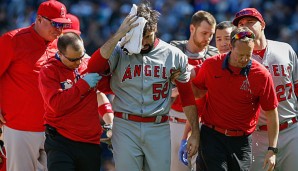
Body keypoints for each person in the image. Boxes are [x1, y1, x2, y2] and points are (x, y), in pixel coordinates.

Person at [88, 3, 200, 171]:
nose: (145, 41)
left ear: (155, 28)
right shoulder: (119, 50)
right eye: (141, 36)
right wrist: (119, 34)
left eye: (148, 35)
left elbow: (187, 97)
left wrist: (195, 133)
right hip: (125, 125)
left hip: (158, 125)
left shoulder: (173, 55)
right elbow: (93, 68)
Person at [192, 27, 279, 171]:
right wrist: (192, 133)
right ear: (231, 47)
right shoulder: (211, 65)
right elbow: (198, 94)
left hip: (242, 141)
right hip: (212, 136)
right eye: (240, 54)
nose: (244, 59)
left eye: (248, 54)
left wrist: (272, 150)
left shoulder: (261, 75)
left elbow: (272, 112)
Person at [0, 1, 71, 170]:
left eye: (63, 24)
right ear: (39, 19)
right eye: (55, 23)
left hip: (53, 130)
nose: (59, 29)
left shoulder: (61, 45)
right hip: (19, 127)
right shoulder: (12, 40)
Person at [232, 8, 298, 171]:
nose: (245, 26)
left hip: (291, 129)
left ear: (263, 25)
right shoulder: (237, 58)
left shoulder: (285, 49)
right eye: (241, 24)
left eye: (250, 22)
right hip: (257, 136)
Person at [39, 32, 107, 171]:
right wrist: (83, 85)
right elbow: (57, 105)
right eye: (73, 59)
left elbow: (105, 92)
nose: (78, 62)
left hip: (89, 141)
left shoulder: (88, 64)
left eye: (81, 57)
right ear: (60, 54)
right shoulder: (49, 70)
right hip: (61, 141)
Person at [169, 10, 219, 171]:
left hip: (201, 124)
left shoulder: (213, 55)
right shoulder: (174, 50)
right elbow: (160, 85)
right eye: (204, 33)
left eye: (211, 34)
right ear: (192, 29)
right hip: (174, 120)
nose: (208, 39)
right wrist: (177, 90)